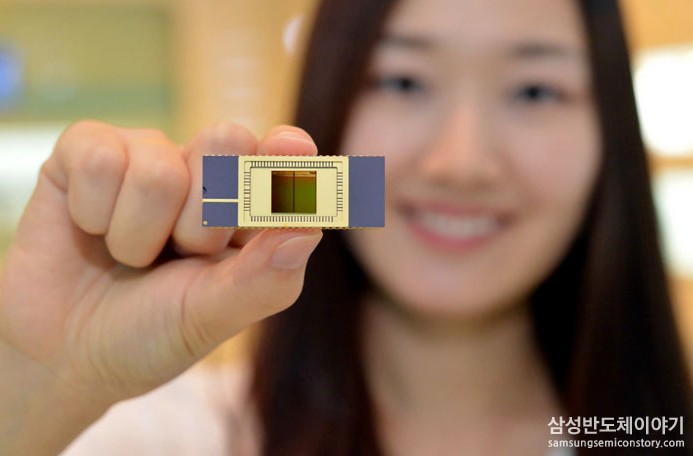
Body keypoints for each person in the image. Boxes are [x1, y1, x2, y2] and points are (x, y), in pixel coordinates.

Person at [1, 0, 691, 455]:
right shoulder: (162, 437)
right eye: (402, 82)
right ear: (326, 107)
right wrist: (37, 379)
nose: (461, 163)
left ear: (611, 139)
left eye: (535, 90)